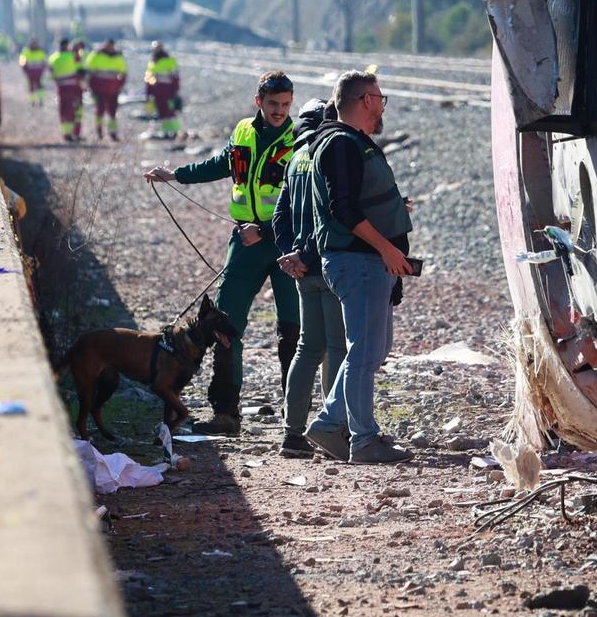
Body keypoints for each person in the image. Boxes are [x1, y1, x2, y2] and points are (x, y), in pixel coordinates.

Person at [144, 71, 301, 435]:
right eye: (273, 104)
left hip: (286, 244)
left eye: (285, 105)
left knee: (293, 330)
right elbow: (218, 164)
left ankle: (294, 416)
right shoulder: (243, 131)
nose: (280, 111)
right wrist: (175, 175)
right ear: (259, 101)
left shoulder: (299, 139)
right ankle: (226, 414)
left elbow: (307, 201)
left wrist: (264, 231)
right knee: (224, 325)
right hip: (245, 243)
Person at [305, 71, 414, 464]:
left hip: (365, 261)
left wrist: (394, 211)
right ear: (366, 100)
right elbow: (344, 209)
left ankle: (328, 423)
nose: (382, 106)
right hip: (360, 261)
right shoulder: (341, 143)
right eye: (380, 98)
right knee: (364, 352)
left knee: (373, 349)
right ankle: (364, 440)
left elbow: (355, 200)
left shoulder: (350, 142)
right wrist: (386, 248)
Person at [272, 99, 347, 458]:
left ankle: (292, 434)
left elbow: (279, 217)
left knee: (307, 348)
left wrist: (291, 256)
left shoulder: (295, 159)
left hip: (302, 270)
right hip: (326, 264)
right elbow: (328, 215)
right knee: (337, 348)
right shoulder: (324, 153)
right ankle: (333, 431)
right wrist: (306, 256)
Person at [84, 38, 127, 141]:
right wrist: (90, 86)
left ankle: (113, 133)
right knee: (100, 111)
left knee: (112, 112)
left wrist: (119, 86)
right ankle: (99, 131)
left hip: (113, 90)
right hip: (99, 90)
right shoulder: (95, 56)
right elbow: (89, 72)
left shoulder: (118, 57)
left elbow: (123, 73)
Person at [48, 37, 84, 142]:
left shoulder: (53, 58)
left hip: (61, 88)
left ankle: (66, 134)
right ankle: (75, 133)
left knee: (64, 110)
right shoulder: (74, 56)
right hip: (74, 88)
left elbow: (51, 74)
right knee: (76, 110)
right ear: (67, 45)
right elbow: (81, 71)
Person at [145, 40, 180, 139]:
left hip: (168, 90)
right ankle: (166, 132)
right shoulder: (152, 62)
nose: (156, 50)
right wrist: (149, 91)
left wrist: (175, 90)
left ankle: (175, 132)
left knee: (170, 111)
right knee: (162, 112)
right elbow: (149, 77)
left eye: (158, 47)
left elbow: (175, 77)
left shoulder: (169, 60)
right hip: (157, 90)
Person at [19, 37, 48, 106]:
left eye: (35, 43)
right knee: (31, 87)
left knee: (39, 86)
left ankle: (40, 100)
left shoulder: (41, 52)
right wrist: (26, 70)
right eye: (33, 43)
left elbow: (45, 62)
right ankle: (33, 101)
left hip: (38, 73)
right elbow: (22, 62)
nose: (34, 45)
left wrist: (42, 70)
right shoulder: (26, 52)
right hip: (30, 73)